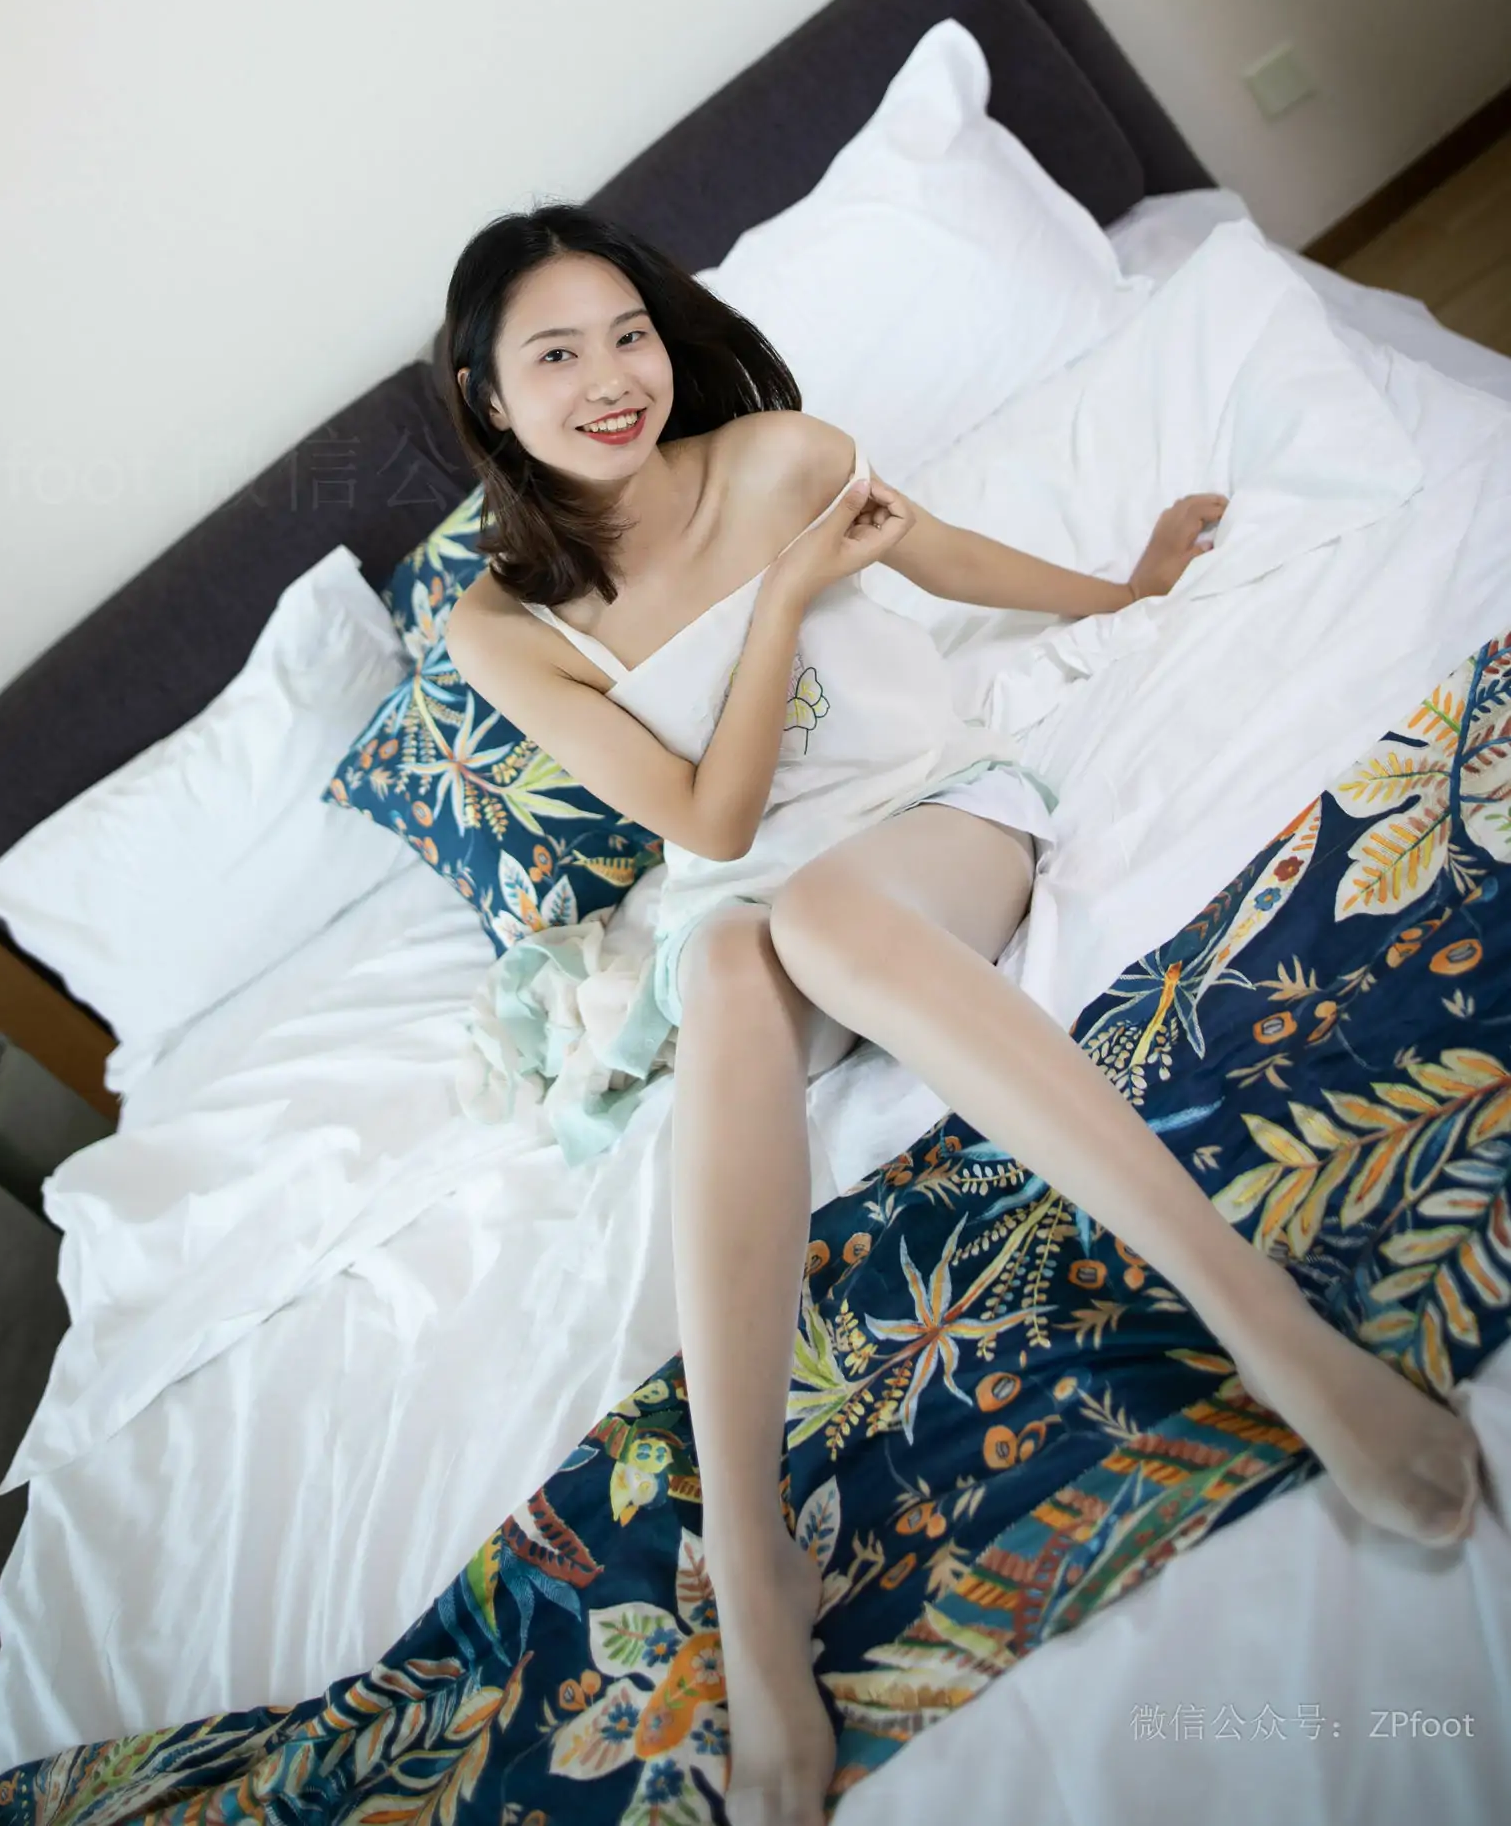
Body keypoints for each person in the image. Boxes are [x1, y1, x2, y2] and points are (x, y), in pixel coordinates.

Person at [439, 202, 1483, 1826]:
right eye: (557, 356)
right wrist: (786, 600)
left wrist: (1124, 586)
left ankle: (1264, 1327)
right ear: (489, 397)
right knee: (727, 959)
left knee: (824, 915)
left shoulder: (781, 458)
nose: (613, 378)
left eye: (629, 333)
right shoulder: (502, 625)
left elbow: (940, 560)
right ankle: (751, 1557)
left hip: (927, 821)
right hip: (743, 885)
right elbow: (708, 826)